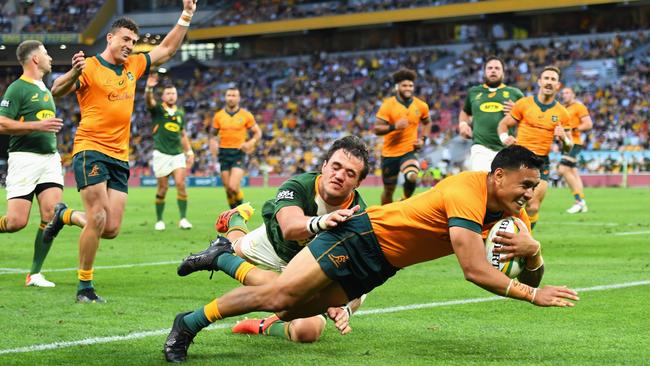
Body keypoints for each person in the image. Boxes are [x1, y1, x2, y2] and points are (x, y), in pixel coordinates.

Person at [163, 145, 580, 363]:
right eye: (525, 186)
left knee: (294, 312)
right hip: (362, 237)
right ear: (499, 175)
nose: (530, 195)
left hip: (383, 264)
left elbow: (528, 281)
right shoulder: (465, 190)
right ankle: (189, 322)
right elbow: (474, 270)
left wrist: (533, 254)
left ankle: (228, 269)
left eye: (534, 187)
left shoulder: (512, 213)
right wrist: (531, 293)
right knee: (279, 296)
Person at [50, 0, 198, 303]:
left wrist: (185, 16)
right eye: (125, 39)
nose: (130, 45)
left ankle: (64, 215)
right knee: (99, 216)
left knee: (112, 228)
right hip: (90, 148)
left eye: (133, 41)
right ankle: (84, 288)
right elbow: (57, 90)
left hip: (120, 156)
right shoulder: (89, 66)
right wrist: (73, 73)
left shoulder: (134, 66)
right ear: (110, 38)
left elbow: (167, 50)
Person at [177, 135, 369, 343]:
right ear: (324, 165)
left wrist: (346, 310)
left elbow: (362, 277)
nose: (339, 175)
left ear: (358, 182)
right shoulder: (298, 185)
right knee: (234, 249)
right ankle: (236, 221)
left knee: (307, 332)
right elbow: (290, 227)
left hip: (308, 266)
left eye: (350, 173)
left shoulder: (360, 218)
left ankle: (263, 325)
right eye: (336, 166)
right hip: (273, 243)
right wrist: (323, 221)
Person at [0, 40, 86, 288]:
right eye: (46, 54)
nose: (50, 58)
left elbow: (64, 85)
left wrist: (75, 71)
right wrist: (37, 126)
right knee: (16, 222)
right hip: (23, 158)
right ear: (35, 59)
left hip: (49, 158)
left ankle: (34, 274)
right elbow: (3, 123)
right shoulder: (18, 88)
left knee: (50, 215)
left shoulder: (44, 88)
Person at [497, 66, 572, 229]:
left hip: (540, 162)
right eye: (546, 78)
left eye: (553, 80)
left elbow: (568, 147)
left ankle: (525, 241)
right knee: (508, 203)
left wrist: (564, 138)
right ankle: (499, 237)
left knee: (533, 206)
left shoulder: (562, 113)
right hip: (518, 159)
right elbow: (503, 124)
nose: (549, 82)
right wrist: (505, 138)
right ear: (539, 82)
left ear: (558, 85)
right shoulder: (524, 104)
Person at [374, 68, 432, 205]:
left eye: (410, 85)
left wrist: (423, 139)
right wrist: (394, 126)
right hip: (389, 154)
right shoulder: (388, 105)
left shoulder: (421, 105)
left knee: (412, 176)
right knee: (388, 191)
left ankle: (405, 200)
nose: (408, 88)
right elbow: (377, 129)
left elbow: (427, 122)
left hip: (409, 151)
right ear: (397, 87)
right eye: (404, 85)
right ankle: (385, 216)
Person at [144, 73, 194, 230]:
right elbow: (149, 102)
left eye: (173, 93)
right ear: (163, 96)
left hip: (177, 154)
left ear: (177, 96)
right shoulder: (158, 110)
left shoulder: (180, 114)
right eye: (168, 93)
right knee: (163, 188)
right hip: (161, 154)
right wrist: (148, 89)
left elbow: (183, 134)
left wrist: (189, 151)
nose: (171, 96)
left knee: (181, 184)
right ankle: (159, 220)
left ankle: (183, 219)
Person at [458, 56, 525, 171]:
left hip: (506, 147)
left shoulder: (515, 93)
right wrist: (463, 124)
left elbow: (528, 117)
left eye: (497, 68)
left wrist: (517, 110)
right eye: (490, 68)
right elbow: (465, 112)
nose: (493, 70)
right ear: (484, 72)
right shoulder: (474, 92)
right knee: (483, 182)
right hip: (480, 147)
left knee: (503, 186)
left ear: (503, 73)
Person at [209, 86, 262, 209]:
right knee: (228, 189)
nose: (231, 98)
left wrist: (251, 142)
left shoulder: (246, 115)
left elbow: (258, 132)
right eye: (229, 95)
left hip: (238, 152)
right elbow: (212, 134)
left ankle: (243, 212)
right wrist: (213, 143)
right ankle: (234, 215)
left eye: (234, 96)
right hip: (223, 153)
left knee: (233, 186)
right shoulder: (219, 116)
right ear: (225, 97)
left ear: (239, 98)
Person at [559, 87, 592, 214]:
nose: (564, 95)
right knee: (573, 172)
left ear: (573, 94)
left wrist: (573, 129)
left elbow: (588, 124)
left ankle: (579, 201)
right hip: (565, 143)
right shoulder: (562, 108)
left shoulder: (579, 107)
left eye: (567, 93)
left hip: (575, 142)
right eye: (563, 93)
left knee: (563, 169)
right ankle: (582, 202)